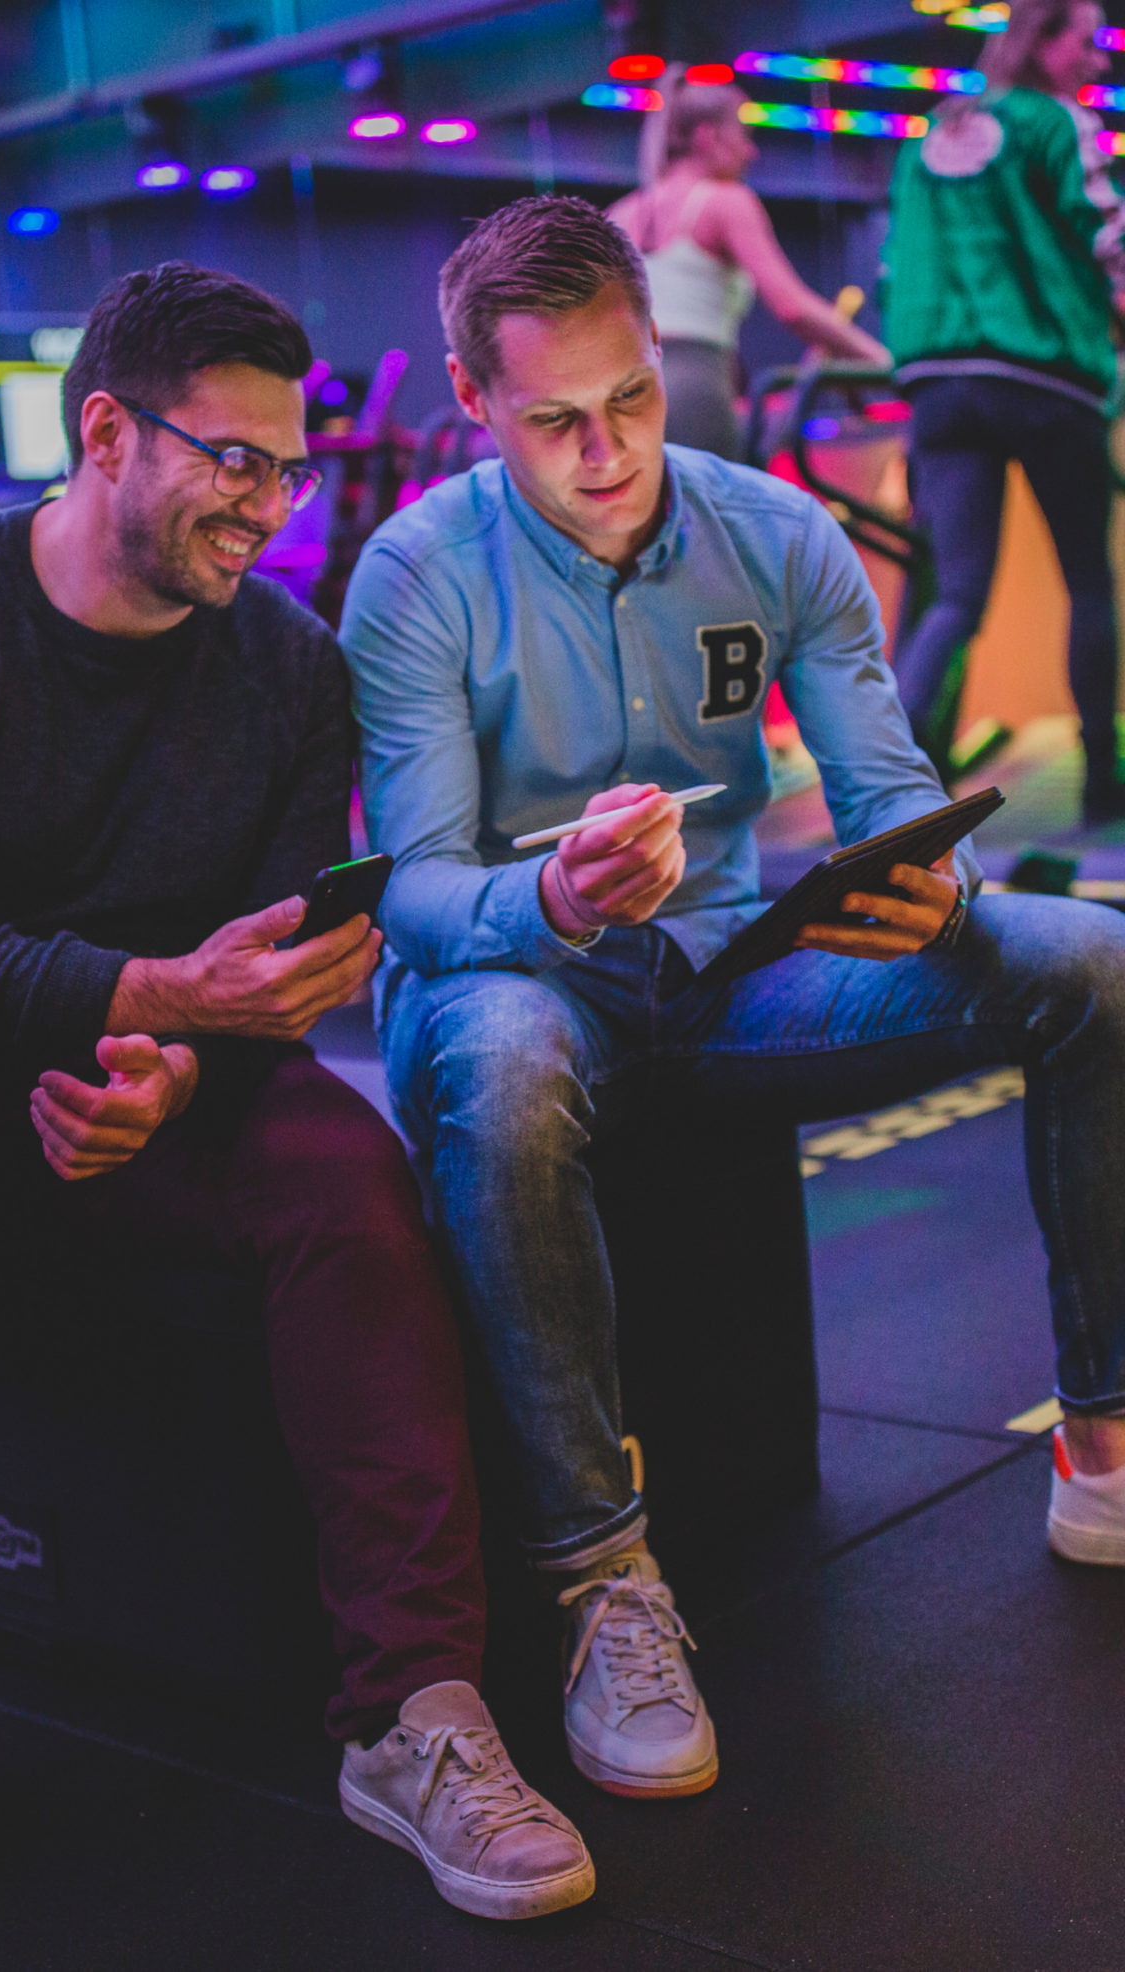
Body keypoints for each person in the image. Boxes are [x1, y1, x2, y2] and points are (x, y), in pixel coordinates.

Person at [0, 262, 594, 1927]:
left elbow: (275, 946)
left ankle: (414, 1711)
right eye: (231, 461)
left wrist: (175, 1060)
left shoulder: (287, 663)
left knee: (353, 1194)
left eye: (285, 471)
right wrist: (149, 1000)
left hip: (165, 1055)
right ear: (104, 434)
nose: (268, 508)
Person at [340, 194, 1125, 1804]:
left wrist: (931, 886)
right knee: (493, 1059)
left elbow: (888, 793)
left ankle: (1100, 1440)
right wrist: (545, 898)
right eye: (556, 421)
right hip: (508, 983)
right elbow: (412, 892)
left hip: (725, 971)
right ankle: (603, 1581)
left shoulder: (775, 530)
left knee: (1096, 959)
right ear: (474, 399)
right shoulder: (416, 572)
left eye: (632, 400)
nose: (609, 450)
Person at [883, 0, 1125, 821]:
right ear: (1047, 42)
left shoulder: (936, 128)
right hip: (1047, 375)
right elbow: (1109, 239)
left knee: (956, 595)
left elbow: (899, 256)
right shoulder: (1056, 121)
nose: (1098, 64)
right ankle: (1103, 787)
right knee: (1088, 582)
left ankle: (896, 788)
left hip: (940, 380)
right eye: (1088, 45)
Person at [607, 66, 889, 459]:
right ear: (709, 136)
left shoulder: (620, 214)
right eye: (744, 136)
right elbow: (792, 307)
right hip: (694, 395)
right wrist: (881, 359)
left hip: (621, 396)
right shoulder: (726, 201)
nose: (751, 151)